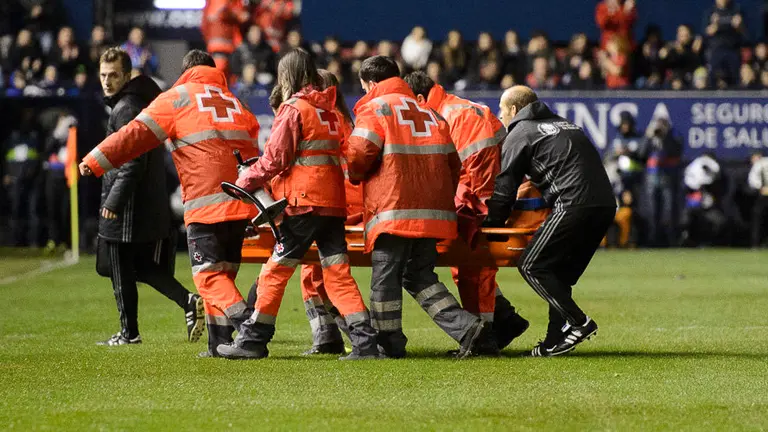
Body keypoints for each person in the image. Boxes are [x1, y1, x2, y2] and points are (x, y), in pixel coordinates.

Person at [79, 49, 260, 357]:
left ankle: (250, 329)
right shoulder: (234, 101)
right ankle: (219, 344)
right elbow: (254, 149)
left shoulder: (177, 98)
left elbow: (134, 135)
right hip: (240, 203)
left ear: (187, 71)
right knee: (223, 274)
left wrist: (96, 160)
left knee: (208, 276)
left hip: (205, 204)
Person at [217, 49, 380, 361]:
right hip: (332, 203)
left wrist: (245, 179)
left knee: (275, 271)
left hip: (304, 204)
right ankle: (365, 343)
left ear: (287, 75)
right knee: (338, 274)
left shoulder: (294, 109)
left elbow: (276, 159)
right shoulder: (330, 111)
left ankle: (253, 340)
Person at [346, 55, 495, 359]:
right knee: (419, 275)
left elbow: (358, 155)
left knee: (384, 281)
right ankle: (468, 329)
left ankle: (389, 345)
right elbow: (454, 164)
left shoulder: (374, 109)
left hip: (393, 210)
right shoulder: (431, 114)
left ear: (371, 84)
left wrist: (356, 174)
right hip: (433, 214)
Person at [484, 86, 616, 357]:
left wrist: (492, 225)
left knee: (531, 265)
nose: (500, 115)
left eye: (501, 108)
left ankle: (579, 323)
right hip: (605, 206)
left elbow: (504, 187)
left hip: (573, 204)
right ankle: (554, 341)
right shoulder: (568, 126)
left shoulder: (520, 132)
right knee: (558, 274)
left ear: (513, 110)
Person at [403, 70, 530, 350]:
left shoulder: (441, 117)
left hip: (475, 198)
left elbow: (457, 172)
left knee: (474, 269)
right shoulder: (465, 107)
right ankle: (504, 321)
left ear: (421, 98)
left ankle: (485, 340)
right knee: (469, 267)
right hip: (492, 195)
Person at [89, 48, 203, 346]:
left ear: (128, 76)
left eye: (113, 75)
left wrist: (113, 202)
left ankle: (130, 333)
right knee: (135, 264)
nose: (107, 81)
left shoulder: (125, 107)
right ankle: (187, 300)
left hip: (127, 203)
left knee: (116, 264)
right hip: (143, 199)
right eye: (103, 75)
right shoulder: (138, 102)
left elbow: (131, 160)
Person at [640, 113, 683, 247]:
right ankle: (652, 239)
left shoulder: (673, 137)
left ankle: (670, 240)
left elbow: (675, 151)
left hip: (667, 177)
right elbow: (641, 153)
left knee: (668, 210)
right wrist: (648, 137)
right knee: (652, 210)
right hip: (652, 177)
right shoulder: (650, 137)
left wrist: (665, 137)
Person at [201, 0, 249, 74]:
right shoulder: (221, 2)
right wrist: (239, 15)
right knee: (218, 74)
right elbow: (223, 12)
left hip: (226, 45)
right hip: (221, 46)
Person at [748, 152, 768, 247]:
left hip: (762, 194)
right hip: (762, 194)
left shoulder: (759, 164)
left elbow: (753, 181)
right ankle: (756, 242)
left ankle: (755, 243)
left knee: (757, 219)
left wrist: (761, 188)